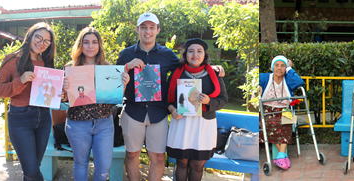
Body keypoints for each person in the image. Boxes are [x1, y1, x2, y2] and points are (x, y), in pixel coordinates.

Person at [117, 13, 225, 181]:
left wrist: (213, 68)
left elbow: (189, 65)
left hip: (158, 113)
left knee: (158, 158)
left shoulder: (167, 54)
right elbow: (114, 84)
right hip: (133, 112)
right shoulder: (125, 54)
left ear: (158, 30)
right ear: (137, 29)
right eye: (144, 27)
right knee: (132, 155)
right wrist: (125, 68)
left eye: (152, 27)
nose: (148, 31)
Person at [61, 27, 129, 181]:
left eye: (94, 42)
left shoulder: (108, 68)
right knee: (80, 163)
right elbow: (64, 100)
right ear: (80, 45)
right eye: (86, 42)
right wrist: (63, 90)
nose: (90, 46)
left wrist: (123, 86)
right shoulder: (71, 68)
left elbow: (114, 99)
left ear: (99, 45)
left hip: (104, 124)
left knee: (104, 168)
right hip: (77, 124)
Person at [0, 21, 56, 181]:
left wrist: (61, 90)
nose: (41, 43)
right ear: (30, 36)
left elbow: (50, 90)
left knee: (32, 169)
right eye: (38, 37)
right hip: (20, 117)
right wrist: (19, 81)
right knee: (33, 172)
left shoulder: (47, 62)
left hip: (43, 118)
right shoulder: (11, 60)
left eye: (46, 41)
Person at [166, 38, 229, 181]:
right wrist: (171, 109)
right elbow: (167, 99)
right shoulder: (177, 74)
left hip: (204, 126)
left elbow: (224, 100)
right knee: (181, 163)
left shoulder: (214, 74)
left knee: (197, 166)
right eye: (191, 51)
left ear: (204, 54)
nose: (195, 54)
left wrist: (209, 101)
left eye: (199, 51)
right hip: (182, 124)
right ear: (185, 54)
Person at [260, 55, 304, 170]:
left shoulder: (288, 79)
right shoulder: (264, 78)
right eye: (277, 65)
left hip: (285, 109)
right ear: (272, 67)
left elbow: (299, 82)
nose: (279, 68)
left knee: (288, 123)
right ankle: (282, 155)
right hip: (267, 109)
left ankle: (280, 155)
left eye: (283, 66)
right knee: (271, 123)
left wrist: (289, 68)